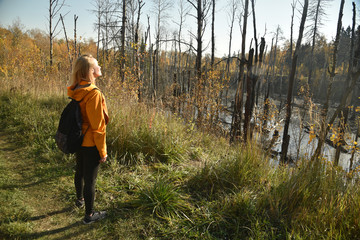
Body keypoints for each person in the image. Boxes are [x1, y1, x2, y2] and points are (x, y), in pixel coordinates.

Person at [67, 54, 109, 224]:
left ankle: (79, 200)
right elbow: (98, 127)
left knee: (79, 171)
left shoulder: (76, 89)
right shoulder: (94, 94)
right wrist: (103, 151)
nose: (100, 67)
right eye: (97, 65)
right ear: (92, 70)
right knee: (90, 180)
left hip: (78, 138)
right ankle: (89, 216)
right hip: (90, 142)